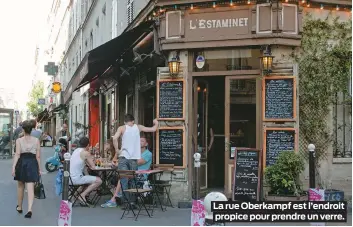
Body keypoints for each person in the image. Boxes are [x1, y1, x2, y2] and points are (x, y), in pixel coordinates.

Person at [112, 114, 158, 208]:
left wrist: (117, 150)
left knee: (124, 180)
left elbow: (115, 138)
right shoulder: (138, 127)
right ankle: (132, 202)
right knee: (133, 180)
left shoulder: (122, 128)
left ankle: (126, 203)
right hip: (133, 159)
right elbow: (153, 129)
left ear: (125, 122)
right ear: (133, 121)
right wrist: (156, 122)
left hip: (123, 157)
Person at [101, 134, 153, 208]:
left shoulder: (148, 154)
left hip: (141, 175)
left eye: (142, 141)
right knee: (119, 176)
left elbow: (137, 163)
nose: (139, 142)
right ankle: (118, 195)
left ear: (146, 144)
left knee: (123, 176)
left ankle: (114, 199)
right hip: (132, 173)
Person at [12, 120, 41, 219]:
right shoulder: (36, 140)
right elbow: (38, 157)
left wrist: (13, 167)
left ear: (23, 129)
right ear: (31, 129)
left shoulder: (19, 140)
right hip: (32, 163)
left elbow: (17, 154)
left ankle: (19, 207)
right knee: (30, 187)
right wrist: (39, 169)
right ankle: (29, 209)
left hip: (22, 163)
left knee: (20, 186)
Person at [70, 137, 102, 206]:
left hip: (70, 178)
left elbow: (84, 166)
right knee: (99, 180)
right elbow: (93, 167)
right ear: (88, 145)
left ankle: (73, 196)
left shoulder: (76, 151)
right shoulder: (86, 153)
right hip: (77, 179)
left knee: (87, 180)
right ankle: (82, 195)